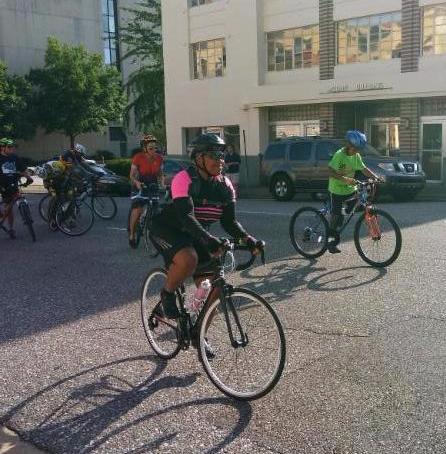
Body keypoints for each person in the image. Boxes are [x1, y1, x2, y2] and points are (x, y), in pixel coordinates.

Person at [149, 133, 262, 354]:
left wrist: (248, 240)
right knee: (188, 259)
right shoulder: (184, 179)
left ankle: (198, 335)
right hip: (168, 229)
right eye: (213, 155)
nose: (220, 160)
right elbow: (186, 217)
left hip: (197, 234)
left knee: (214, 289)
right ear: (198, 158)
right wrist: (209, 240)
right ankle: (167, 293)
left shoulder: (225, 185)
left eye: (222, 155)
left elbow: (229, 222)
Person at [327, 130, 382, 254]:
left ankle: (372, 229)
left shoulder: (356, 156)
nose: (357, 151)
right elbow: (330, 171)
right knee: (336, 215)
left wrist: (376, 177)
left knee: (358, 207)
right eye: (356, 148)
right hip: (336, 190)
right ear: (349, 145)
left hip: (351, 189)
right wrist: (344, 179)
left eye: (359, 149)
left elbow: (363, 169)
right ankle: (330, 241)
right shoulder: (339, 155)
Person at [128, 134, 164, 248]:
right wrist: (137, 182)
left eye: (155, 148)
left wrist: (162, 183)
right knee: (137, 209)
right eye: (151, 148)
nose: (154, 150)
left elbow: (160, 174)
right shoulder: (138, 157)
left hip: (152, 185)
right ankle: (132, 234)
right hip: (140, 185)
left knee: (156, 210)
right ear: (145, 148)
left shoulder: (159, 158)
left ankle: (150, 226)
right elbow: (131, 175)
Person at [0, 138, 33, 238]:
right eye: (9, 147)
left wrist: (29, 178)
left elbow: (23, 169)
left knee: (12, 204)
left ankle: (11, 228)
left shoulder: (15, 157)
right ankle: (4, 217)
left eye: (12, 147)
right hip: (3, 185)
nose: (12, 149)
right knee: (8, 207)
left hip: (13, 184)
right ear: (2, 148)